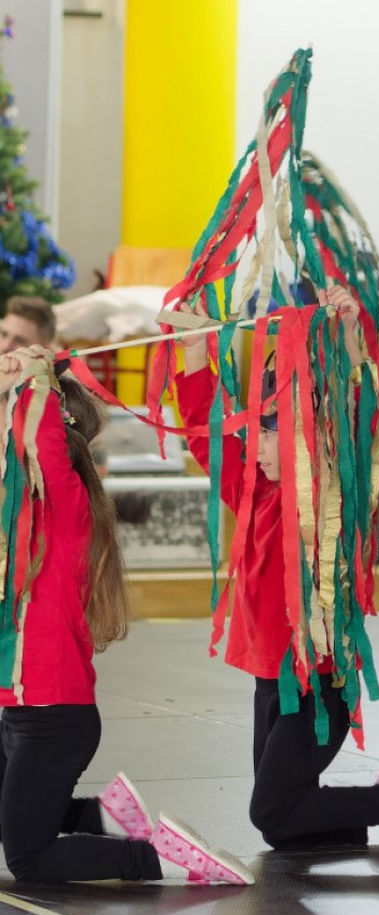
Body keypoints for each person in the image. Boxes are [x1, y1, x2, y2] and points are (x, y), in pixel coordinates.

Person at [174, 289, 379, 858]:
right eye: (255, 429)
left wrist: (347, 335)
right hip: (272, 680)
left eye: (270, 431)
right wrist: (195, 353)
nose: (255, 443)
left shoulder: (338, 500)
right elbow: (204, 436)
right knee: (279, 827)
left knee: (267, 809)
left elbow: (355, 413)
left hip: (319, 685)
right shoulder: (256, 493)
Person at [0, 345, 252, 884]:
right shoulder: (21, 519)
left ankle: (167, 859)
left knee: (29, 860)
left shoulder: (64, 514)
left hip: (53, 721)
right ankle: (104, 814)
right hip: (20, 717)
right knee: (14, 821)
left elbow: (41, 449)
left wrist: (34, 382)